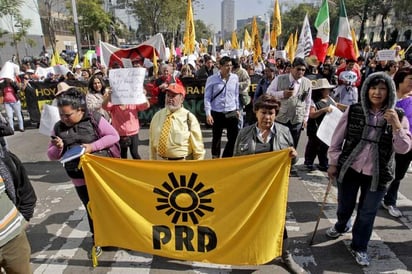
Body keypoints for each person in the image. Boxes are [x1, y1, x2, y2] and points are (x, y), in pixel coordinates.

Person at [326, 72, 412, 266]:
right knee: (345, 205)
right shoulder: (354, 110)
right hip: (350, 168)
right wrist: (333, 162)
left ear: (389, 91)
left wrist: (397, 126)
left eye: (382, 88)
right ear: (366, 90)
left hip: (379, 173)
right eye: (373, 88)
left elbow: (403, 148)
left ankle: (359, 246)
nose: (377, 92)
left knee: (367, 212)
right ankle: (341, 225)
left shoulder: (397, 115)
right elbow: (337, 138)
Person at [233, 94, 305, 274]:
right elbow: (234, 162)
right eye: (263, 112)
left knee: (279, 222)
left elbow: (290, 162)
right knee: (250, 221)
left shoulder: (284, 132)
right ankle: (249, 254)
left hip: (275, 189)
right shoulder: (243, 133)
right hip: (251, 189)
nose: (267, 117)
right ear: (256, 112)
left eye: (271, 113)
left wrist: (294, 157)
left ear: (276, 114)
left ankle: (285, 256)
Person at [47, 88, 120, 257]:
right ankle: (99, 238)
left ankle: (117, 235)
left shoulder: (94, 119)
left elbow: (113, 136)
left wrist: (91, 147)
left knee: (109, 206)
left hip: (101, 175)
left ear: (80, 110)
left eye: (68, 115)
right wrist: (58, 148)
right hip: (79, 179)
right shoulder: (58, 127)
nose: (64, 119)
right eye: (61, 115)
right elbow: (50, 155)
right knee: (91, 208)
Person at [382, 68, 412, 217]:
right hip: (386, 142)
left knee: (398, 174)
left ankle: (390, 200)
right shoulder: (388, 99)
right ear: (400, 82)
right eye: (410, 80)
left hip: (406, 143)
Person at [149, 83, 205, 160]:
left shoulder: (190, 118)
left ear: (182, 99)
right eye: (168, 95)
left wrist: (198, 167)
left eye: (173, 96)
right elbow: (152, 144)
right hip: (161, 165)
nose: (169, 99)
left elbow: (198, 149)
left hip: (182, 166)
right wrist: (152, 162)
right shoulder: (157, 116)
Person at [266, 57, 312, 149]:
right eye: (298, 69)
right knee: (278, 144)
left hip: (297, 119)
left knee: (292, 146)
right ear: (292, 68)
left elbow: (308, 102)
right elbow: (268, 93)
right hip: (281, 118)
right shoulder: (280, 79)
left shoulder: (307, 83)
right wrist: (282, 94)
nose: (301, 72)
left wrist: (305, 119)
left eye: (303, 70)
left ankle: (290, 163)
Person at [303, 78, 344, 171]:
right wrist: (323, 110)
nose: (329, 91)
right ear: (321, 90)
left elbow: (336, 105)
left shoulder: (329, 98)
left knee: (325, 146)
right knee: (313, 145)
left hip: (326, 127)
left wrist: (349, 107)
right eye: (327, 89)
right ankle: (309, 162)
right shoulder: (314, 101)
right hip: (315, 127)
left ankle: (323, 162)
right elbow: (312, 115)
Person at [204, 56, 240, 158]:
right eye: (226, 66)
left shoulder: (235, 78)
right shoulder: (212, 79)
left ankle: (226, 158)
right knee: (217, 137)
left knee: (233, 137)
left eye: (230, 65)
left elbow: (236, 94)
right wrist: (208, 114)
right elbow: (207, 97)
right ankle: (215, 158)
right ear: (220, 67)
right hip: (217, 112)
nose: (229, 68)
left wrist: (237, 108)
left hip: (231, 111)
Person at [103, 90, 150, 159]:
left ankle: (140, 169)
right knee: (123, 155)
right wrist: (109, 96)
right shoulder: (114, 105)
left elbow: (146, 105)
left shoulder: (133, 103)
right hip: (120, 134)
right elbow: (104, 106)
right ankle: (125, 169)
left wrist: (143, 95)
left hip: (133, 133)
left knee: (135, 153)